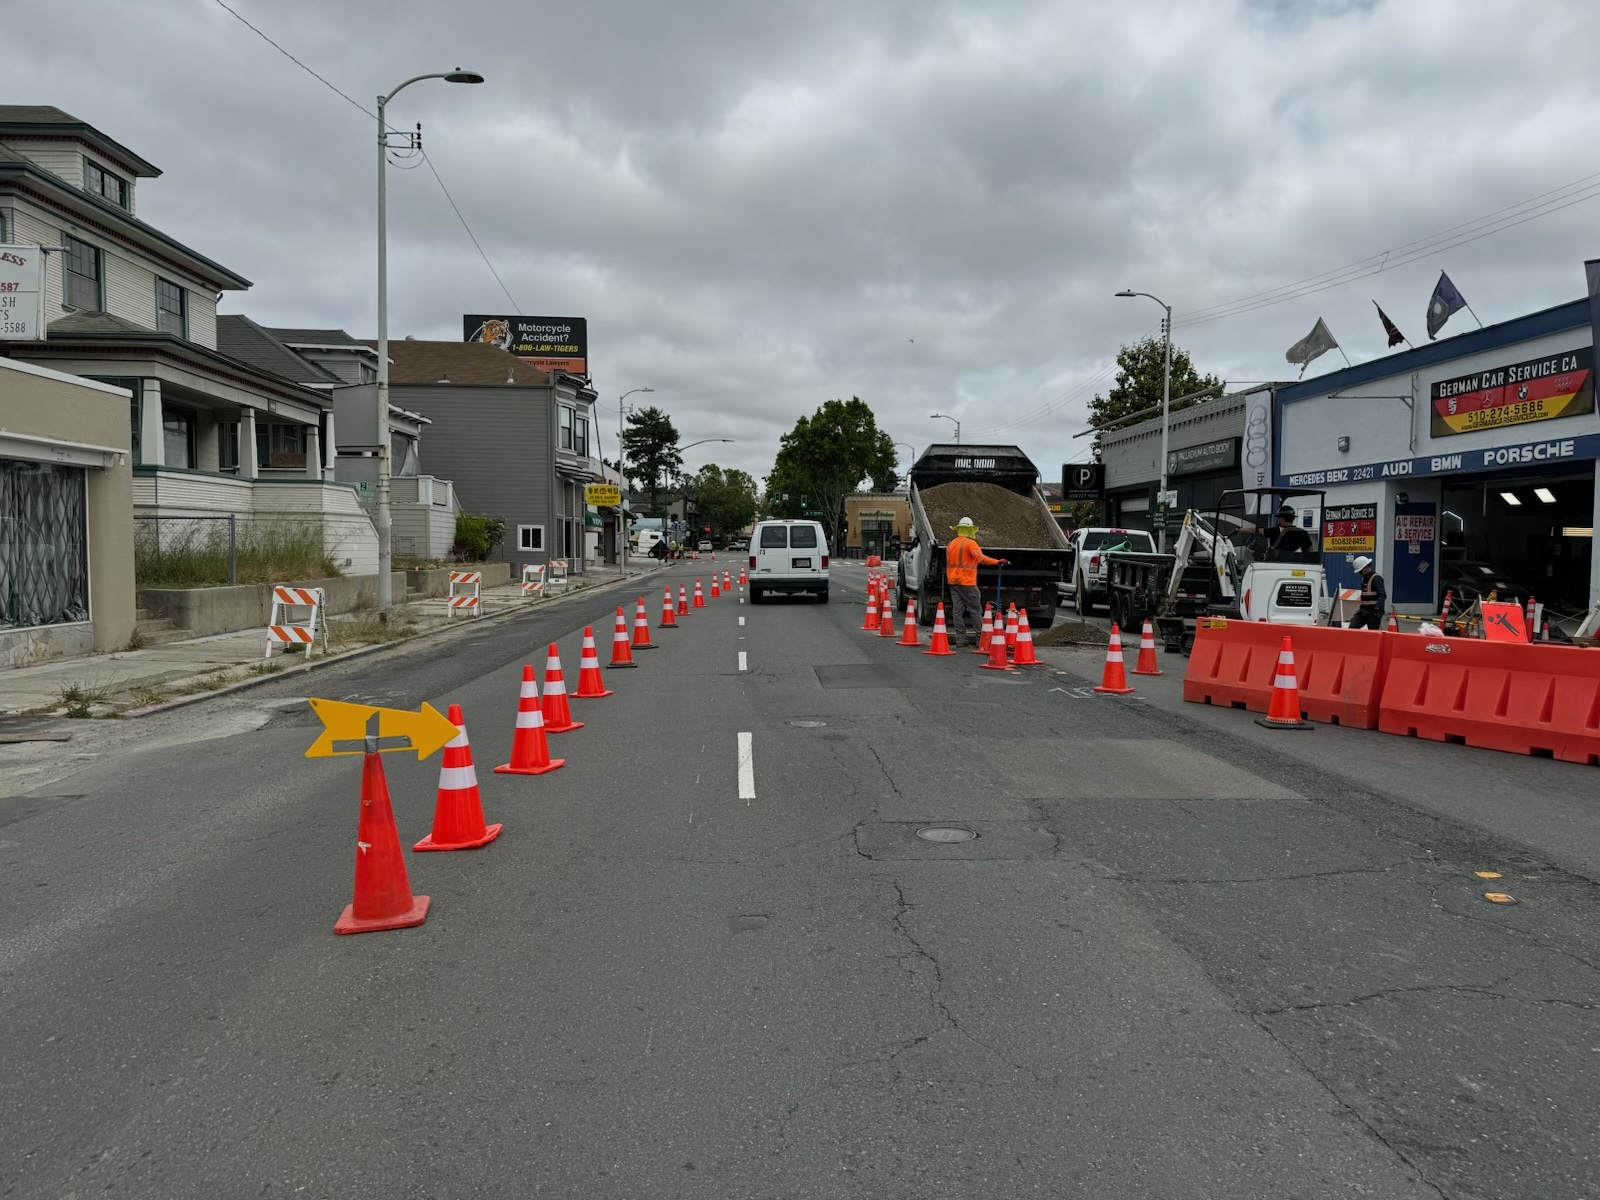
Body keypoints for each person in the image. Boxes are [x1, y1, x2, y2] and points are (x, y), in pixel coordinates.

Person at [945, 517, 1006, 644]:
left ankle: (960, 639)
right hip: (967, 582)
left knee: (957, 611)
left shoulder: (951, 544)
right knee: (975, 610)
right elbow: (981, 558)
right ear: (970, 530)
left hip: (953, 581)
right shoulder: (970, 543)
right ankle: (980, 639)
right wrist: (997, 561)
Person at [1348, 555, 1387, 629]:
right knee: (1352, 628)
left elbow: (1382, 595)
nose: (1360, 573)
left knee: (1372, 634)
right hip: (1364, 611)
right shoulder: (1364, 579)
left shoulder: (1376, 579)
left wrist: (1378, 609)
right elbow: (1365, 598)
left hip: (1373, 613)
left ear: (1366, 567)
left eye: (1360, 571)